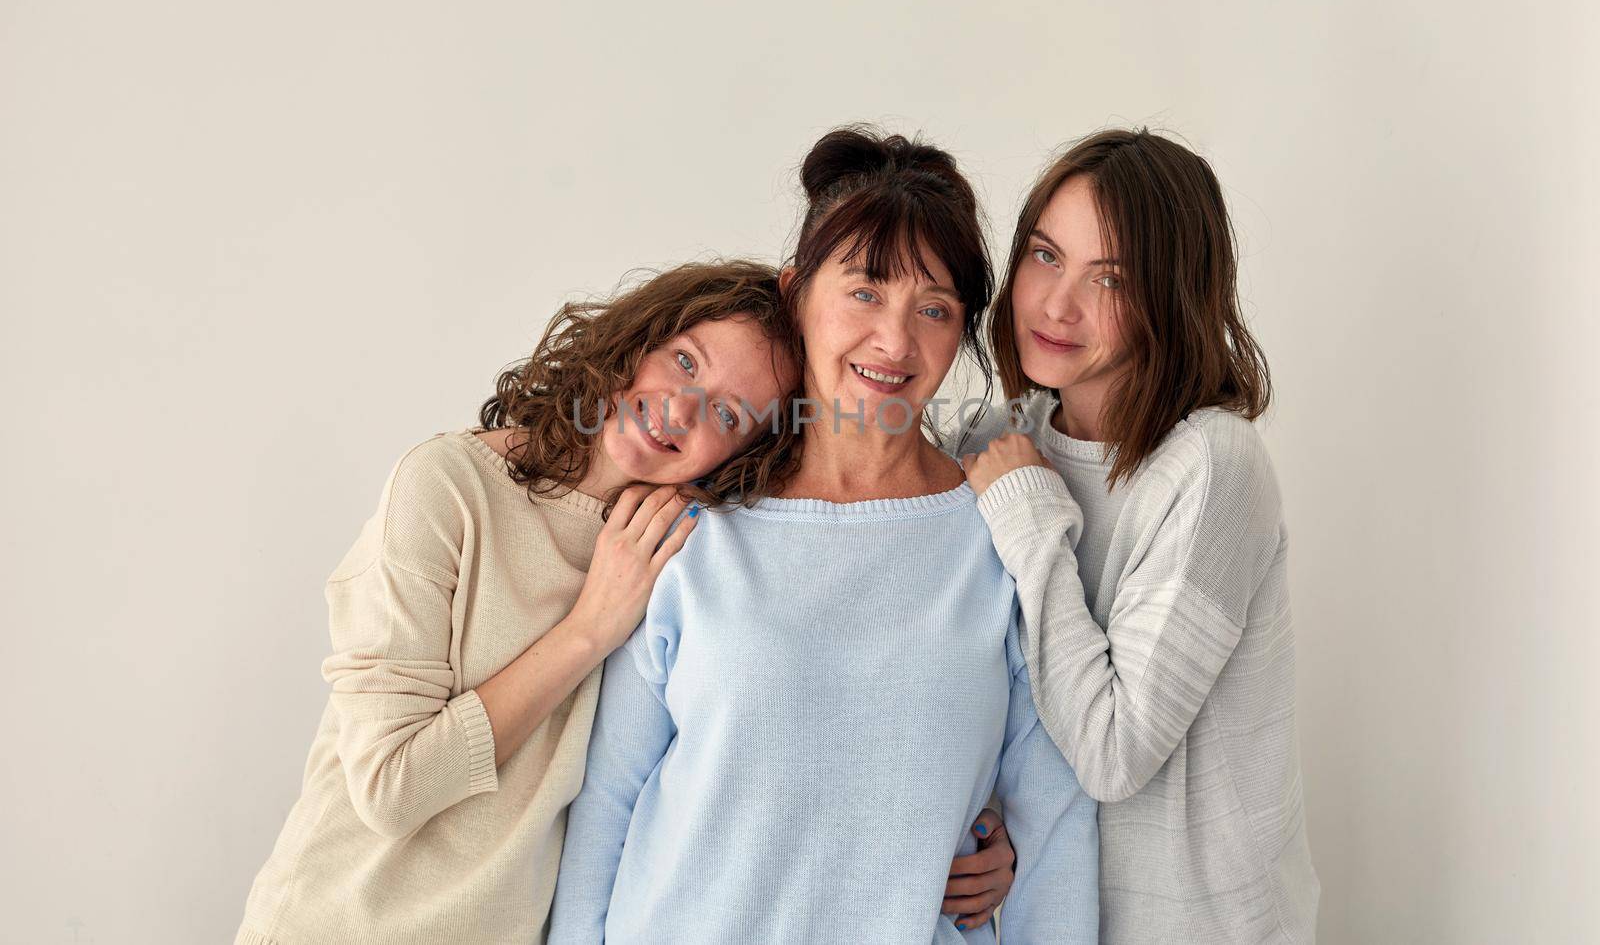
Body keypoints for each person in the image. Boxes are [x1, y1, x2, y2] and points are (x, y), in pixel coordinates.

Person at [548, 127, 1099, 944]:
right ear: (797, 292)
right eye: (865, 292)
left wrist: (996, 843)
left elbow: (1053, 829)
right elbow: (605, 810)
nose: (895, 341)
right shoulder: (693, 529)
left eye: (935, 308)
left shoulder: (1000, 537)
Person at [234, 261, 798, 944]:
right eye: (684, 360)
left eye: (729, 412)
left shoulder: (679, 556)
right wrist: (590, 628)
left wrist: (963, 829)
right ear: (640, 338)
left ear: (741, 456)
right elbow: (391, 784)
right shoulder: (448, 487)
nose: (681, 409)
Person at [956, 128, 1320, 942]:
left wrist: (1032, 517)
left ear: (1171, 295)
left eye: (1109, 278)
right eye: (1045, 256)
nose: (1057, 304)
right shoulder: (996, 442)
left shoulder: (1213, 465)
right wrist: (984, 822)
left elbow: (1112, 751)